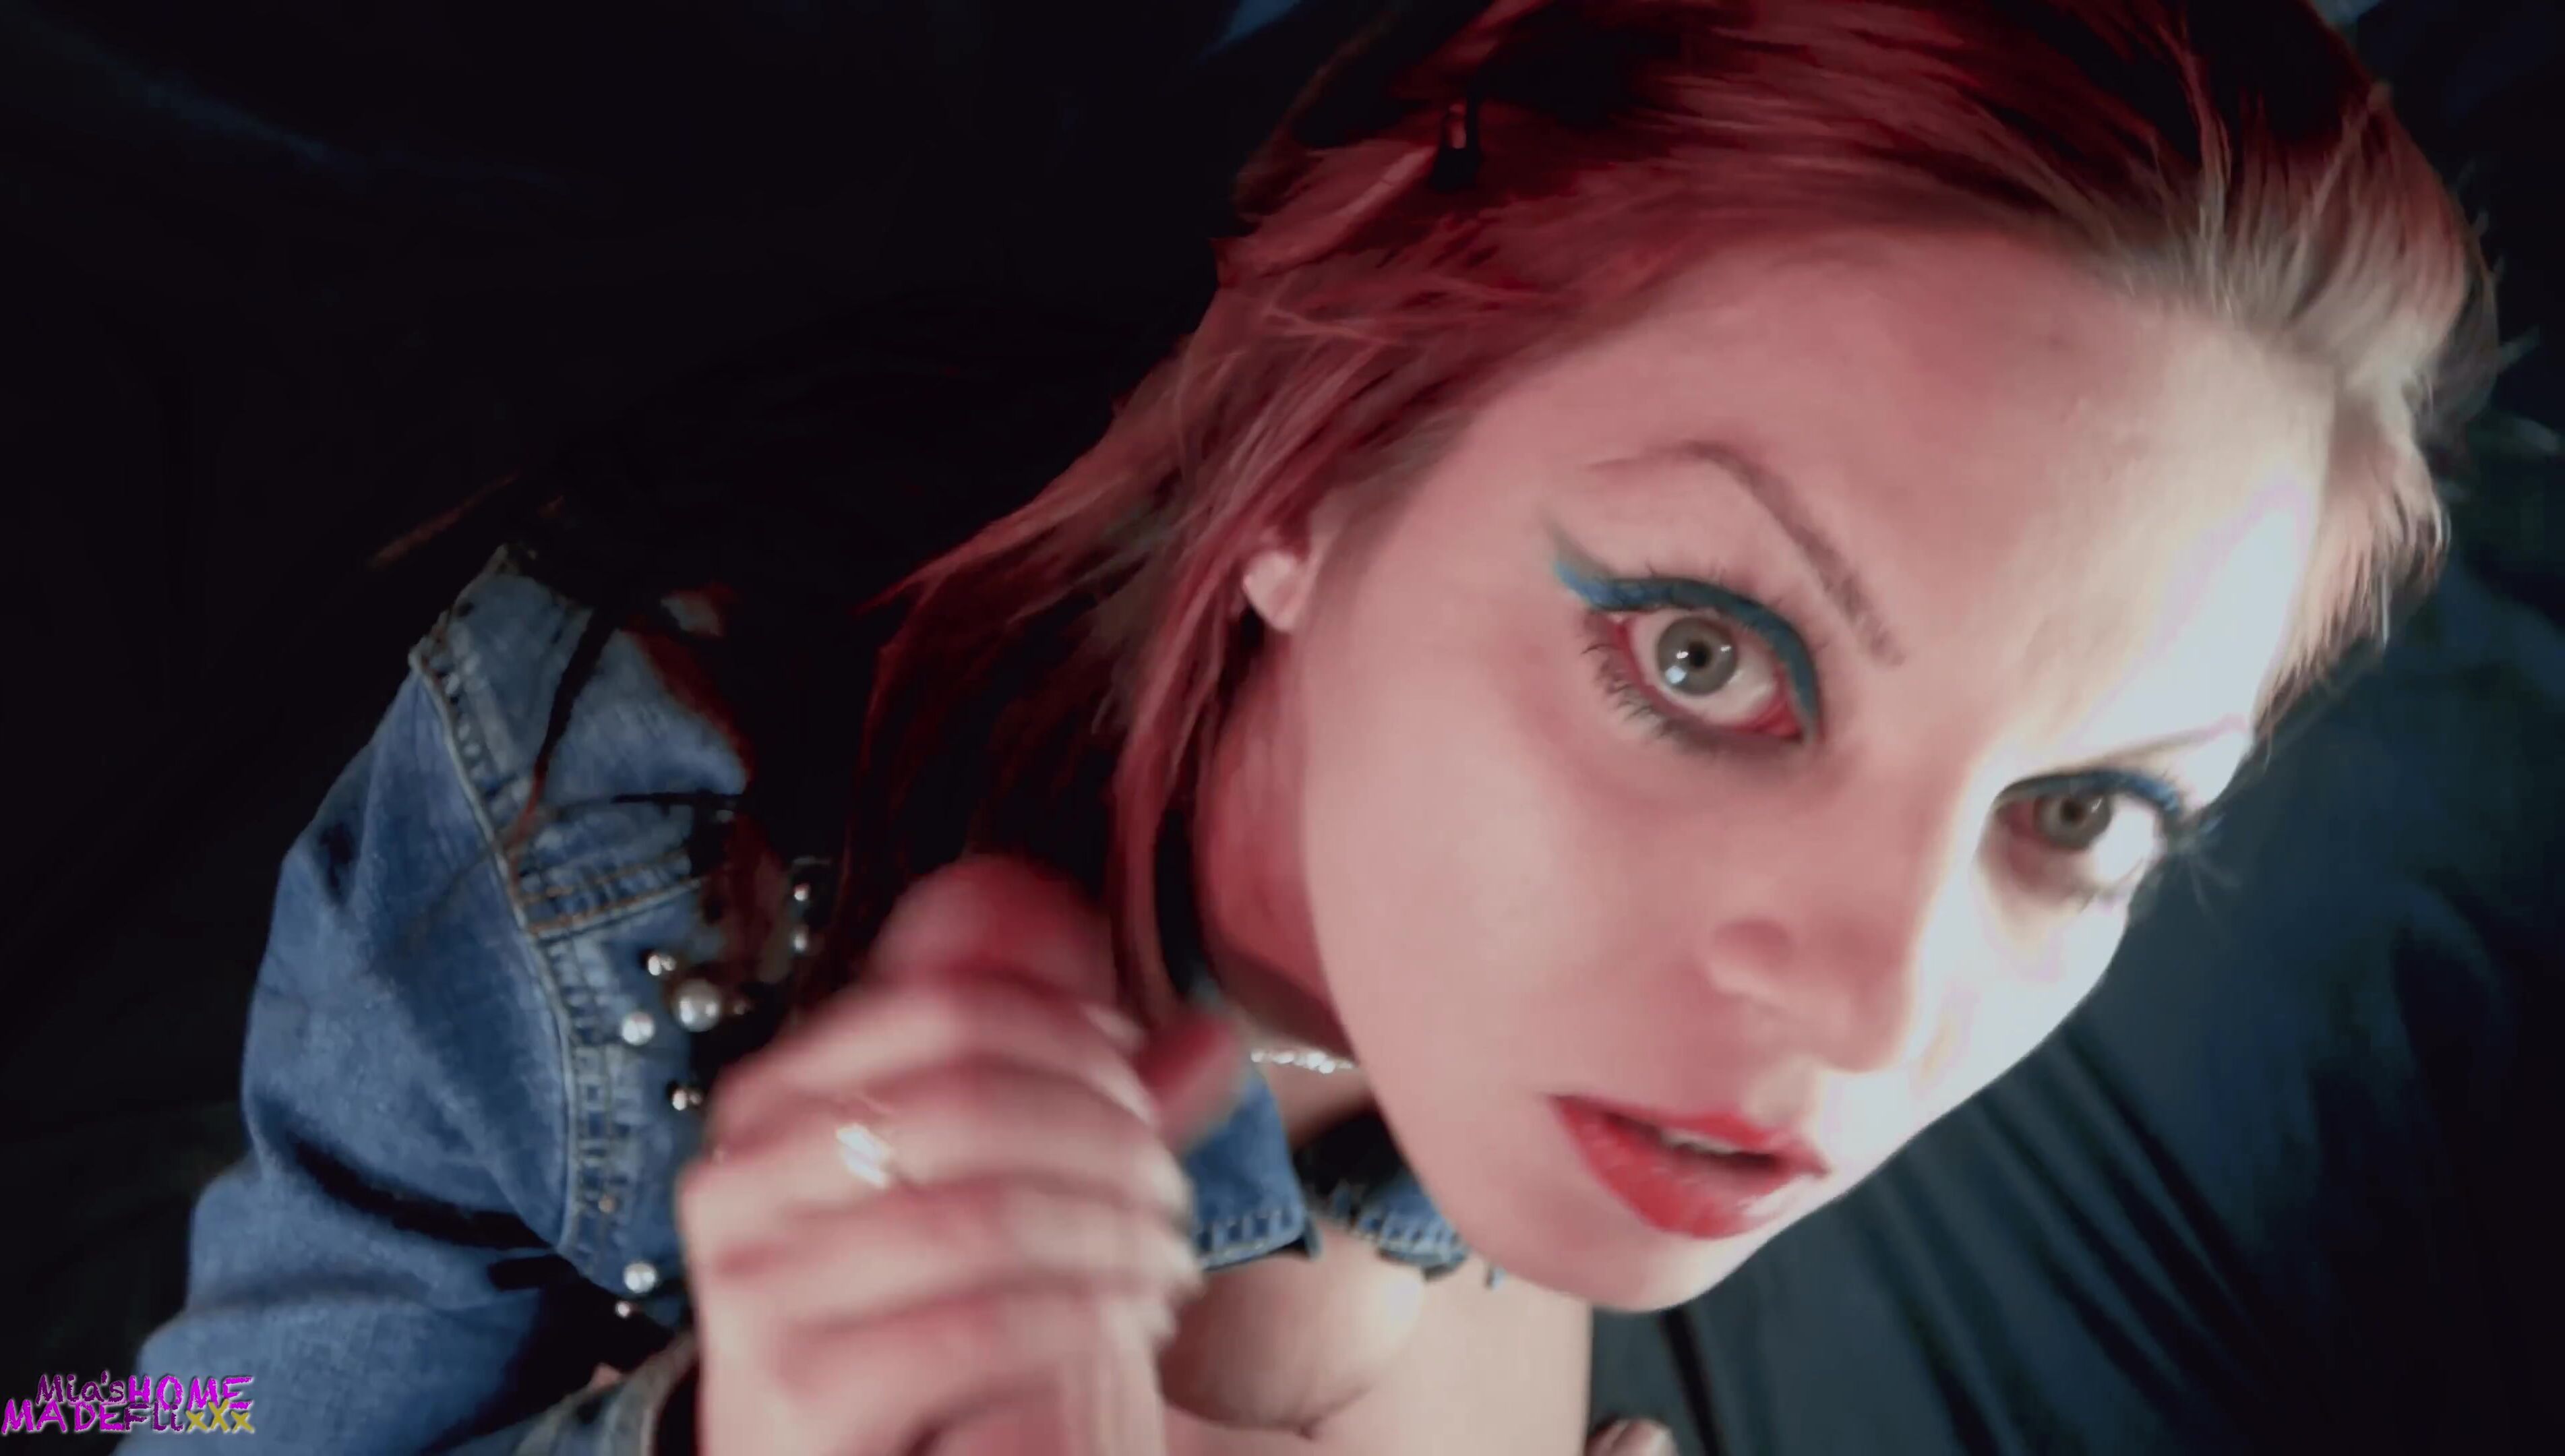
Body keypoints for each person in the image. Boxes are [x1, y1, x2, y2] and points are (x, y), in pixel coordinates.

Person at [125, 0, 2487, 1451]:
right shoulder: (626, 823)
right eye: (1704, 655)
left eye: (2077, 812)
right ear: (1310, 484)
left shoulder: (1674, 1056)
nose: (1875, 1017)